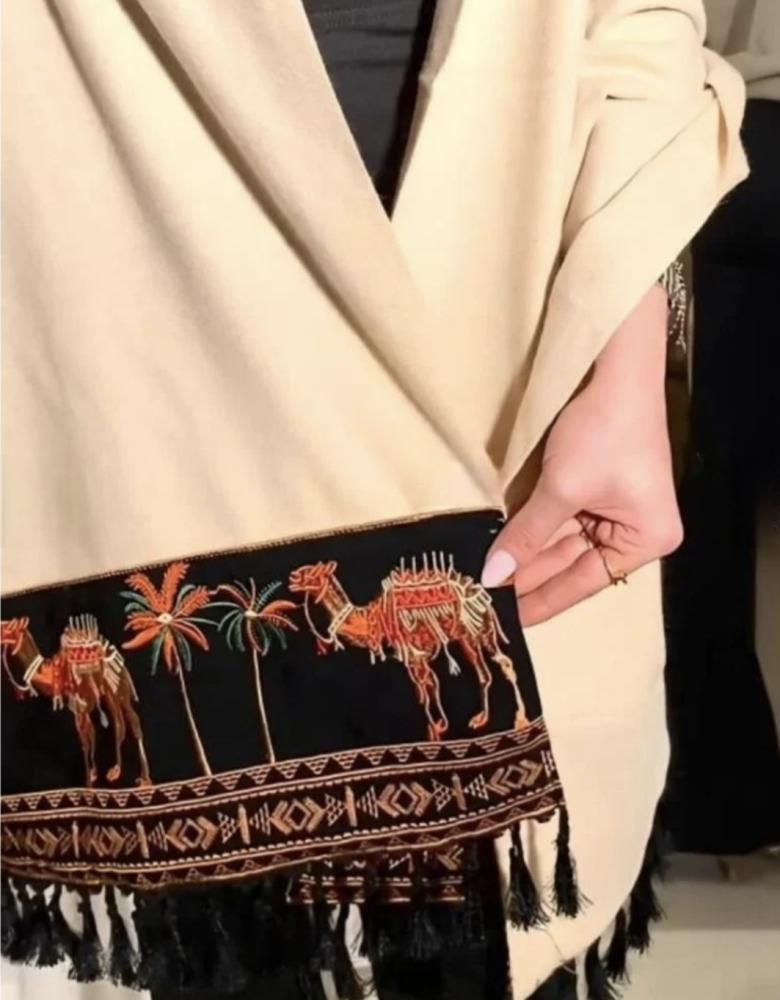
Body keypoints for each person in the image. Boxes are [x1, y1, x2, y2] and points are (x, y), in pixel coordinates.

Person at [1, 2, 747, 999]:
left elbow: (639, 27)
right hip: (140, 360)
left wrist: (630, 342)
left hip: (498, 370)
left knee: (491, 935)